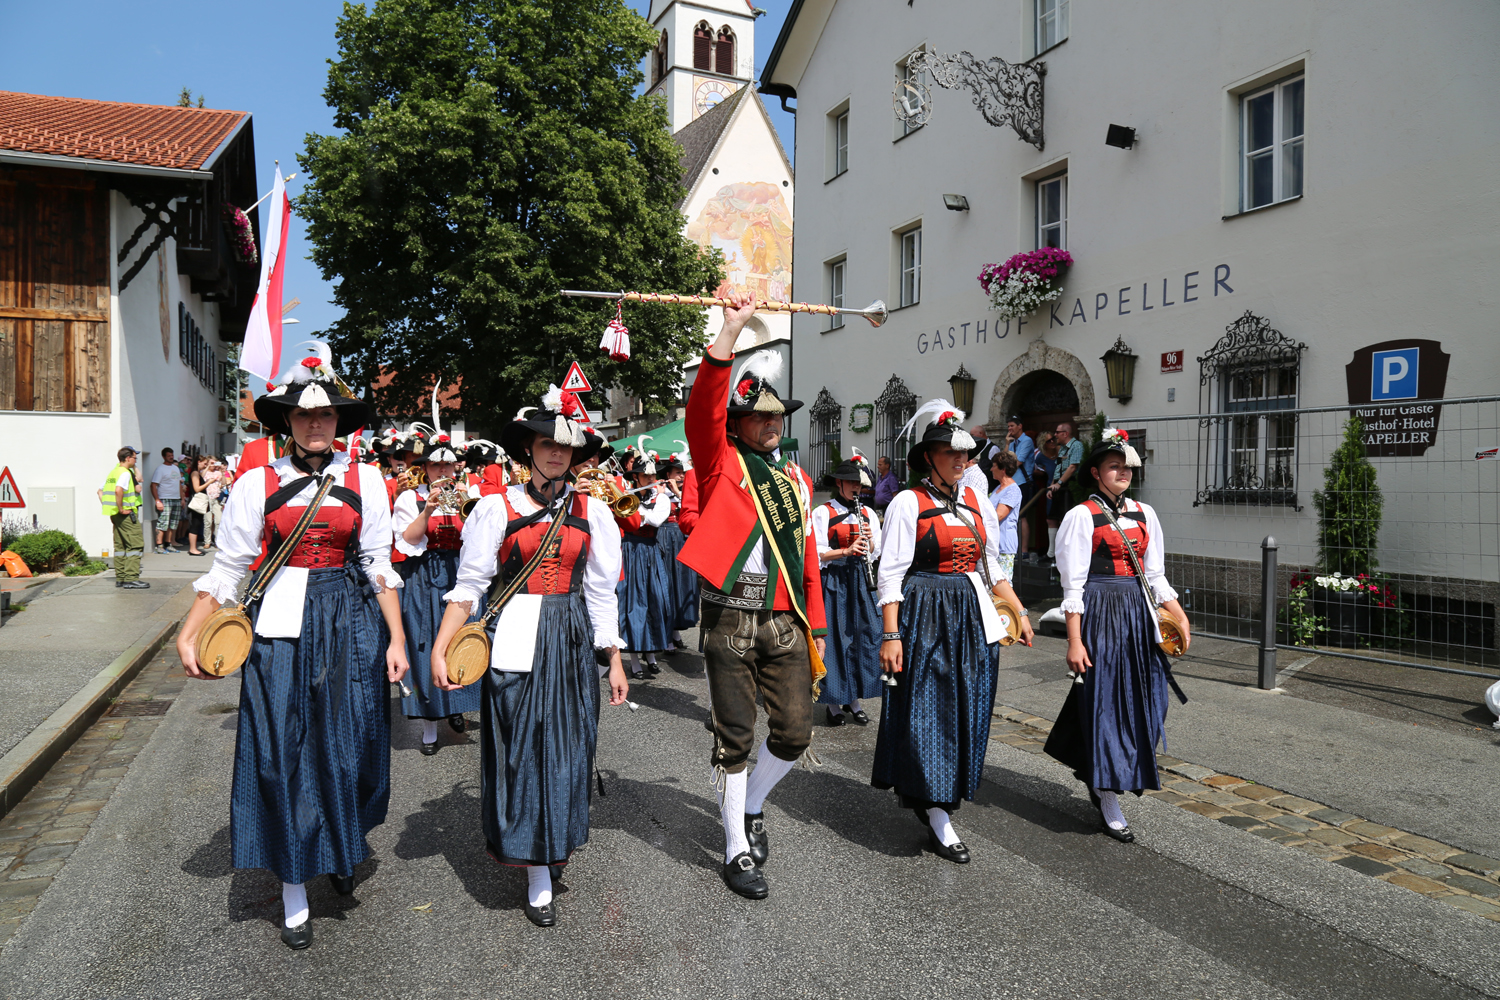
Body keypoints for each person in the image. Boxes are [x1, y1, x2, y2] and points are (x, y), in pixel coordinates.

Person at [176, 347, 409, 951]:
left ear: (339, 423)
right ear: (286, 421)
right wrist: (190, 627)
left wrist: (399, 640)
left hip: (351, 622)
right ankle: (294, 885)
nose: (315, 424)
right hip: (278, 624)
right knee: (284, 751)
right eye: (305, 416)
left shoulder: (367, 480)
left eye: (326, 415)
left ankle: (338, 837)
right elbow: (228, 567)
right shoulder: (259, 482)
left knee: (352, 744)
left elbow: (378, 563)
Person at [430, 382, 628, 928]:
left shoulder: (595, 512)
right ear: (530, 450)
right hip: (514, 635)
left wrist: (612, 657)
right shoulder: (496, 508)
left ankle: (551, 848)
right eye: (546, 444)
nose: (556, 453)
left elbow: (600, 591)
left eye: (565, 446)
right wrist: (441, 646)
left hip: (567, 638)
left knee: (569, 747)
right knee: (522, 749)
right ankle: (534, 865)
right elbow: (470, 584)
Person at [678, 295, 827, 901]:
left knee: (795, 732)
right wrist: (729, 332)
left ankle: (754, 805)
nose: (772, 425)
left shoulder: (796, 480)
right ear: (738, 424)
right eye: (760, 418)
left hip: (784, 618)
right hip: (730, 616)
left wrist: (815, 625)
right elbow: (701, 414)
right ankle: (735, 847)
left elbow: (807, 559)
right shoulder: (720, 466)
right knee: (735, 736)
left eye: (777, 418)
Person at [873, 399, 1033, 865]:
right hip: (925, 612)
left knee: (968, 703)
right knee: (931, 706)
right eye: (951, 451)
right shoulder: (909, 501)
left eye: (966, 452)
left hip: (971, 612)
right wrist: (891, 634)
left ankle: (943, 793)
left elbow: (990, 566)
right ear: (929, 456)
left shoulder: (977, 500)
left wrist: (1019, 610)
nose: (961, 459)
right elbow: (890, 573)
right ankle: (937, 810)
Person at [1046, 430, 1191, 841]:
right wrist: (1075, 640)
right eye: (1114, 466)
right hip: (1101, 612)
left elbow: (1155, 574)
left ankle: (1105, 769)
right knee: (1107, 701)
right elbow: (1072, 586)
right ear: (1095, 473)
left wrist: (1178, 616)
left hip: (1138, 613)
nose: (1123, 472)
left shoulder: (1145, 513)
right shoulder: (1080, 515)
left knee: (1149, 698)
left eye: (1126, 465)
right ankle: (1106, 791)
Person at [392, 437, 481, 754]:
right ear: (426, 469)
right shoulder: (409, 499)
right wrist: (427, 509)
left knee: (460, 641)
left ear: (455, 467)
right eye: (435, 465)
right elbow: (407, 541)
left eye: (447, 464)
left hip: (460, 571)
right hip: (424, 575)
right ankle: (429, 725)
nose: (442, 470)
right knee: (424, 644)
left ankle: (455, 704)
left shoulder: (471, 495)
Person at [811, 452, 883, 727]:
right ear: (839, 482)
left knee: (864, 638)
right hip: (835, 582)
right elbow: (816, 552)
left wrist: (868, 545)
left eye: (860, 484)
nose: (857, 488)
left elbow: (877, 547)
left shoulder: (866, 513)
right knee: (836, 641)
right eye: (852, 483)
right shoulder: (823, 512)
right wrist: (846, 549)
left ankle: (855, 700)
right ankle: (833, 703)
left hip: (861, 582)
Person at [616, 447, 673, 677]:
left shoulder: (661, 498)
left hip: (650, 554)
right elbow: (624, 521)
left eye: (652, 475)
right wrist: (637, 516)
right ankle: (634, 660)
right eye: (645, 476)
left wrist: (638, 516)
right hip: (630, 553)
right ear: (636, 477)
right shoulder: (627, 497)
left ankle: (650, 655)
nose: (650, 479)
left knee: (654, 601)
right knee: (632, 603)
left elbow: (657, 520)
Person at [654, 452, 698, 647]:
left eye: (683, 472)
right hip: (664, 536)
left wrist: (680, 491)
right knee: (667, 584)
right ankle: (666, 633)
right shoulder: (659, 490)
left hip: (680, 539)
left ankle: (675, 631)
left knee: (681, 584)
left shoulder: (686, 491)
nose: (681, 476)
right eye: (677, 472)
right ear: (668, 473)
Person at [102, 446, 149, 590]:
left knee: (121, 546)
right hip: (125, 514)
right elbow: (118, 490)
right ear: (128, 458)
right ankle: (131, 579)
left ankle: (121, 578)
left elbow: (100, 491)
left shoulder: (113, 472)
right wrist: (122, 508)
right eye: (135, 458)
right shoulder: (125, 473)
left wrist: (112, 507)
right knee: (135, 545)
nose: (136, 461)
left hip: (114, 514)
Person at [1045, 421, 1082, 563]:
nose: (1055, 435)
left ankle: (1065, 554)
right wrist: (1053, 485)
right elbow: (1059, 467)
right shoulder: (1062, 449)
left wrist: (1059, 484)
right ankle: (1051, 553)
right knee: (1052, 519)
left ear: (1065, 434)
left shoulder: (1076, 446)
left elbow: (1072, 467)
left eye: (1057, 432)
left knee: (1064, 520)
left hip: (1069, 487)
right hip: (1059, 487)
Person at [1005, 416, 1036, 557]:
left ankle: (1024, 550)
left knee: (1021, 516)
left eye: (1012, 426)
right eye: (1008, 426)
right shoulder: (1012, 442)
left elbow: (1018, 461)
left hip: (1023, 482)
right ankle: (1014, 548)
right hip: (1012, 482)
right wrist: (1006, 444)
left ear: (1020, 426)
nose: (1010, 429)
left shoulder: (1026, 441)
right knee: (1013, 516)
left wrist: (1006, 464)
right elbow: (1004, 460)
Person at [989, 451, 1023, 581]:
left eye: (994, 466)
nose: (991, 469)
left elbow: (998, 515)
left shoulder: (1013, 490)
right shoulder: (998, 488)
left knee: (1003, 583)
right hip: (993, 543)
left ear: (1003, 469)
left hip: (1003, 545)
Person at [150, 447, 182, 553]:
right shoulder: (160, 469)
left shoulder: (175, 468)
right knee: (163, 523)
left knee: (173, 523)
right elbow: (153, 485)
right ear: (163, 457)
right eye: (169, 456)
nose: (171, 457)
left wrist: (181, 498)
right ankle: (159, 545)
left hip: (176, 499)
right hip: (164, 499)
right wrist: (157, 500)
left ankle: (169, 544)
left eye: (172, 455)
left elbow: (179, 483)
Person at [185, 454, 212, 556]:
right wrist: (209, 482)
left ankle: (193, 548)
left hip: (198, 501)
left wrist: (208, 467)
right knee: (195, 525)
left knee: (197, 523)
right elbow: (197, 488)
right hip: (197, 501)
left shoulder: (197, 472)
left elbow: (202, 474)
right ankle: (193, 549)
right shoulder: (195, 473)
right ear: (198, 462)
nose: (205, 466)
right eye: (205, 464)